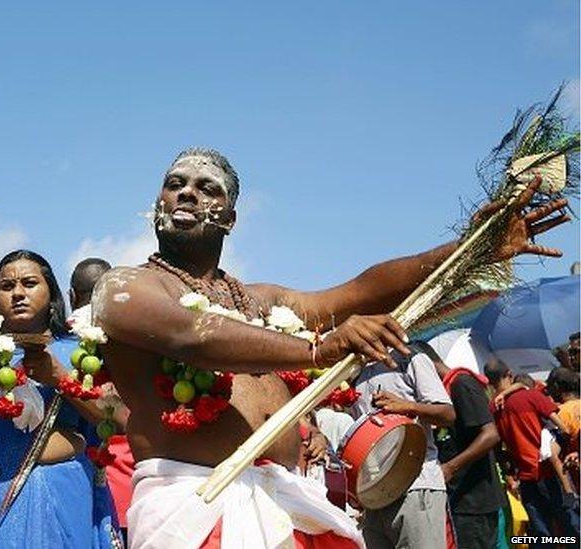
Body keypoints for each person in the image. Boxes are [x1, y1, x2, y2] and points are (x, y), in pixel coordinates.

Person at [91, 147, 568, 548]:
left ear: (231, 219)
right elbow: (191, 335)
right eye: (175, 183)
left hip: (284, 504)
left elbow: (356, 294)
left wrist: (467, 249)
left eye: (206, 187)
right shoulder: (124, 288)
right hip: (193, 505)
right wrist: (321, 350)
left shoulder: (257, 300)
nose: (187, 192)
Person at [0, 250, 120, 547]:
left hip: (59, 498)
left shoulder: (83, 351)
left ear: (51, 293)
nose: (18, 293)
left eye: (29, 283)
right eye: (7, 286)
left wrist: (58, 377)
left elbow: (117, 418)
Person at [350, 344, 456, 549]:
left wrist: (408, 406)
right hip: (374, 493)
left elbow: (447, 414)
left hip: (416, 485)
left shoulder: (410, 357)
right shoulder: (354, 369)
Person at [71, 258, 136, 539]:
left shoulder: (57, 342)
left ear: (71, 295)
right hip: (133, 488)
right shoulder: (137, 337)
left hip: (77, 488)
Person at [485, 359, 579, 542]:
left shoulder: (493, 409)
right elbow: (563, 427)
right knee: (570, 524)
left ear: (489, 381)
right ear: (509, 373)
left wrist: (509, 473)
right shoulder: (531, 397)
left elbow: (498, 449)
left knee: (542, 533)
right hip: (549, 472)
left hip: (526, 479)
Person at [429, 345, 504, 549]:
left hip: (474, 502)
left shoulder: (461, 383)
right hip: (461, 501)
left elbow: (490, 434)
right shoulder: (444, 392)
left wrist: (450, 468)